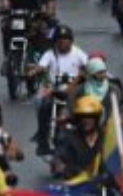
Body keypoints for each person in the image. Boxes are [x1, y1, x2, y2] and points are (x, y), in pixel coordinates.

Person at [31, 25, 87, 156]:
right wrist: (35, 71)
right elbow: (41, 66)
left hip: (74, 92)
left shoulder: (78, 53)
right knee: (39, 101)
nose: (62, 42)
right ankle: (42, 138)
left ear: (71, 41)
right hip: (54, 91)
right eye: (59, 39)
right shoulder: (50, 54)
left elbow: (89, 65)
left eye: (65, 39)